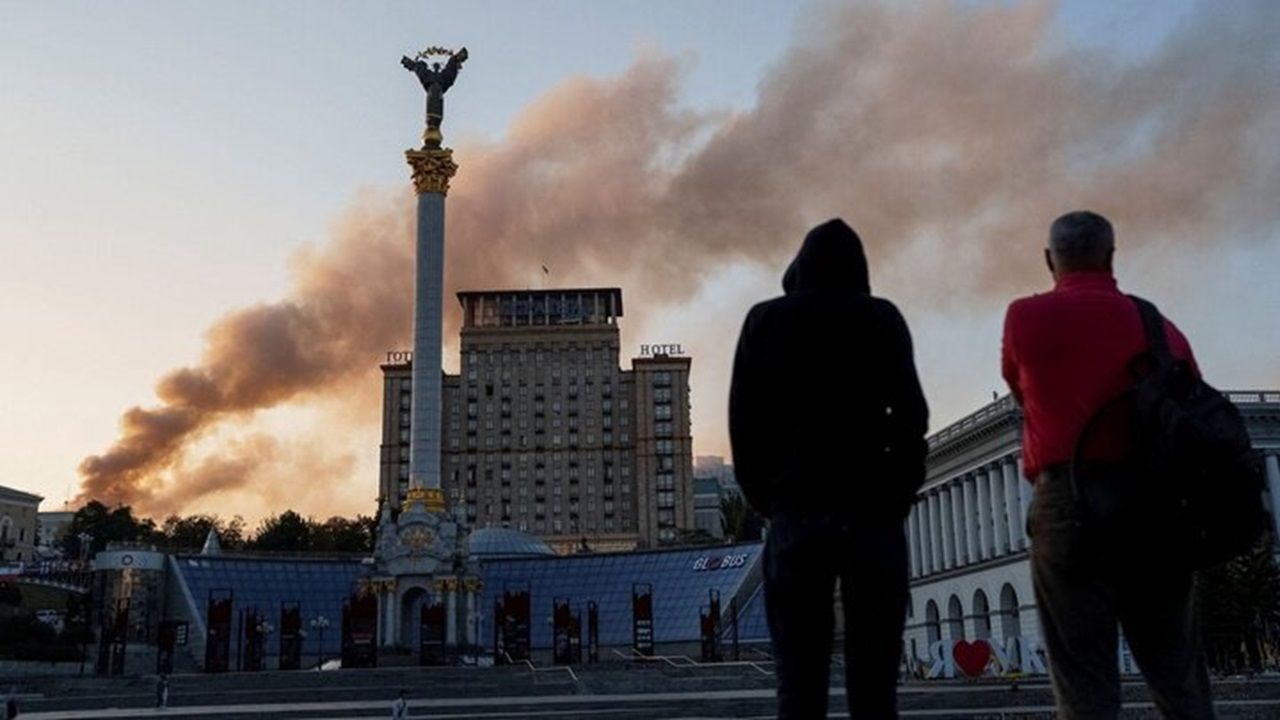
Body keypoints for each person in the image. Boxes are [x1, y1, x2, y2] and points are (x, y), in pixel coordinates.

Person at [1001, 210, 1215, 718]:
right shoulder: (1161, 328)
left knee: (1083, 683)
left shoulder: (1025, 318)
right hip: (1155, 509)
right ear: (1112, 256)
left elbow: (1020, 391)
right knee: (1178, 673)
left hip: (1068, 505)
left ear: (1050, 259)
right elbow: (1194, 405)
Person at [729, 218, 929, 719]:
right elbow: (912, 418)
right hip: (872, 517)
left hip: (796, 514)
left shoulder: (764, 321)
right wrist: (897, 495)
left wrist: (768, 500)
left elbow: (744, 426)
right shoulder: (883, 319)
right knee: (876, 687)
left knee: (798, 686)